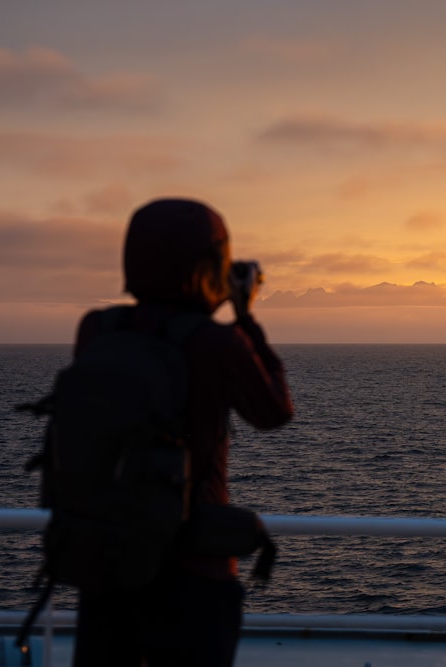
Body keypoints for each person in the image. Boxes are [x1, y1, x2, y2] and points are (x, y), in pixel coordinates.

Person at [71, 198, 294, 667]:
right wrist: (245, 316)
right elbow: (274, 411)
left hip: (108, 562)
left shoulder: (96, 329)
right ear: (210, 265)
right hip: (195, 570)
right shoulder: (215, 343)